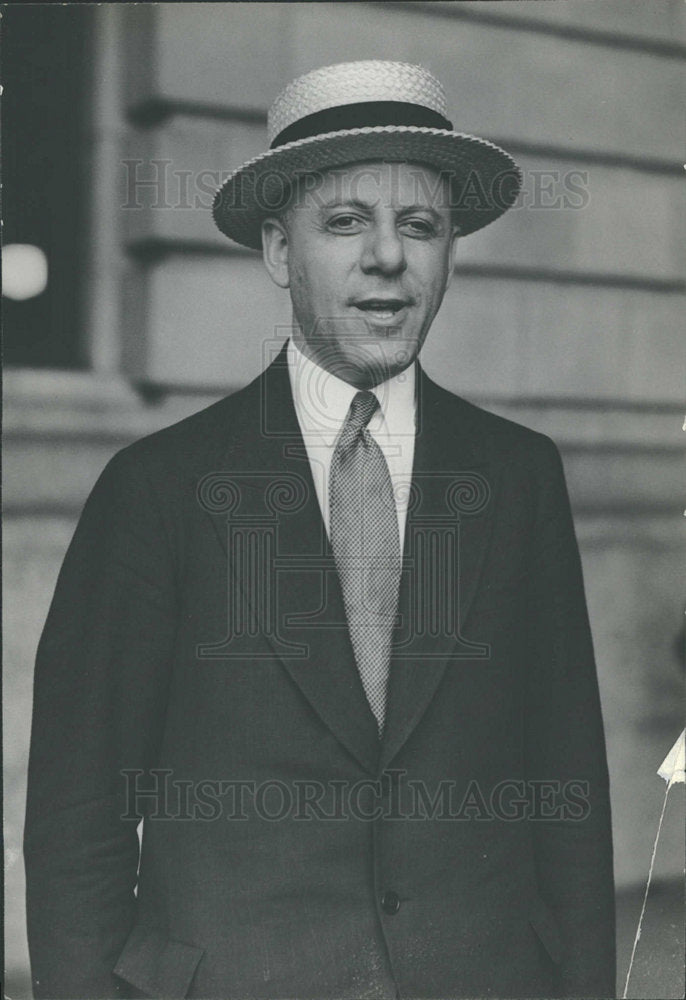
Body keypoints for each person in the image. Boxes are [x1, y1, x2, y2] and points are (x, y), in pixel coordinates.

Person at [24, 60, 615, 999]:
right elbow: (77, 818)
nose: (389, 257)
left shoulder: (518, 476)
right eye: (345, 222)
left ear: (448, 253)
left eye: (419, 226)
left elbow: (571, 794)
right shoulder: (159, 489)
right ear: (276, 249)